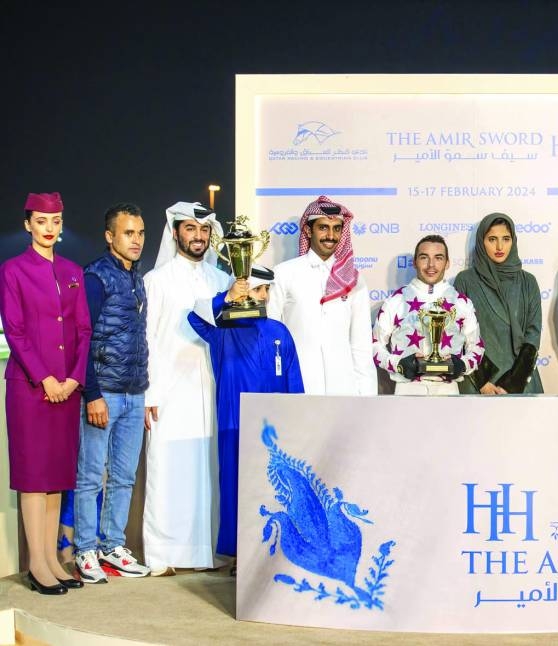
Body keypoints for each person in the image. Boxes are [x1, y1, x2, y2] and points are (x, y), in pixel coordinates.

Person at [0, 192, 91, 594]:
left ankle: (52, 559)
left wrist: (73, 379)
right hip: (30, 389)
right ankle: (36, 563)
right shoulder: (13, 270)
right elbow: (15, 331)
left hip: (67, 390)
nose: (49, 228)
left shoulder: (72, 271)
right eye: (41, 221)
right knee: (34, 476)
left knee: (57, 475)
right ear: (28, 225)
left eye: (55, 221)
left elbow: (84, 330)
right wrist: (46, 378)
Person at [188, 265, 304, 564]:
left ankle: (277, 553)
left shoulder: (278, 331)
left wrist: (298, 421)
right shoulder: (222, 329)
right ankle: (241, 555)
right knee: (236, 485)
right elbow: (194, 317)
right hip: (235, 423)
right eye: (256, 289)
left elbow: (294, 381)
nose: (263, 296)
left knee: (276, 488)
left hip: (274, 429)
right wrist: (227, 297)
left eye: (266, 289)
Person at [143, 201, 231, 575]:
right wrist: (149, 394)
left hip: (212, 389)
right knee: (168, 470)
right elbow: (147, 339)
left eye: (204, 230)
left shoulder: (222, 281)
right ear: (176, 232)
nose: (198, 236)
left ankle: (207, 553)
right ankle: (163, 556)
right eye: (191, 229)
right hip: (168, 392)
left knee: (208, 471)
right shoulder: (156, 280)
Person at [74, 203, 151, 583]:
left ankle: (112, 546)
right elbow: (82, 339)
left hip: (134, 394)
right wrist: (92, 394)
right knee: (90, 477)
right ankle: (84, 549)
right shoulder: (96, 277)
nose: (136, 240)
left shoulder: (137, 278)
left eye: (140, 233)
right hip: (104, 392)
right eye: (128, 233)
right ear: (110, 237)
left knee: (123, 477)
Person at [268, 196, 376, 396]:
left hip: (344, 388)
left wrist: (367, 396)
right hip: (297, 384)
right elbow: (271, 337)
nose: (331, 236)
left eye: (337, 229)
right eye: (323, 228)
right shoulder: (284, 273)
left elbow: (361, 345)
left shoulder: (353, 279)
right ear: (308, 231)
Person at [373, 235, 483, 396]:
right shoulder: (395, 301)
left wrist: (462, 365)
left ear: (447, 263)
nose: (431, 265)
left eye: (438, 258)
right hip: (407, 389)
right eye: (424, 257)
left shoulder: (461, 302)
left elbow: (477, 347)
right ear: (414, 262)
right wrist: (398, 364)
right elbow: (374, 345)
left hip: (448, 390)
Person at [454, 213, 543, 394]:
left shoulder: (528, 282)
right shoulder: (465, 280)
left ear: (513, 241)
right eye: (492, 239)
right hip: (477, 383)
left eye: (506, 239)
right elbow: (457, 333)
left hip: (520, 381)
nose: (500, 246)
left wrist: (513, 383)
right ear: (481, 242)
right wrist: (482, 381)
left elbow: (533, 336)